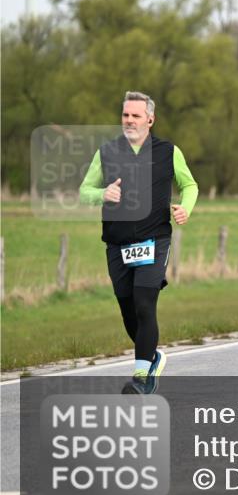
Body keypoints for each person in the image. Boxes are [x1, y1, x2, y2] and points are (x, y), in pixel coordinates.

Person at [78, 92, 198, 394]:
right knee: (128, 311)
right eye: (125, 115)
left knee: (145, 304)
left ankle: (141, 378)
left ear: (150, 119)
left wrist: (186, 207)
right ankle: (152, 356)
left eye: (135, 115)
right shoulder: (106, 152)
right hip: (117, 244)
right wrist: (102, 194)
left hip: (154, 240)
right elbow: (84, 191)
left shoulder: (169, 151)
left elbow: (189, 185)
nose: (129, 120)